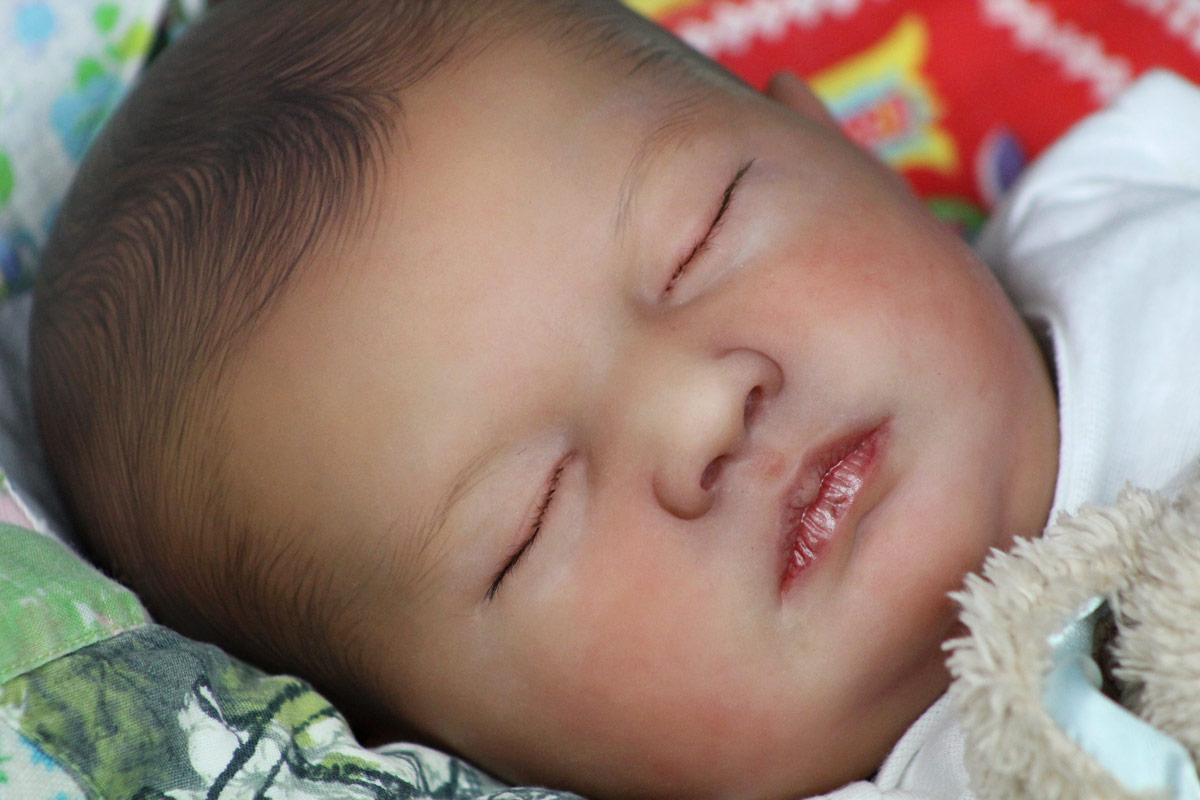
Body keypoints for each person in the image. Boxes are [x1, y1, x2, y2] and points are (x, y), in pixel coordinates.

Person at [32, 0, 1193, 797]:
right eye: (533, 515)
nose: (704, 415)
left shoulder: (1125, 198)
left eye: (703, 238)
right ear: (445, 746)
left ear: (835, 140)